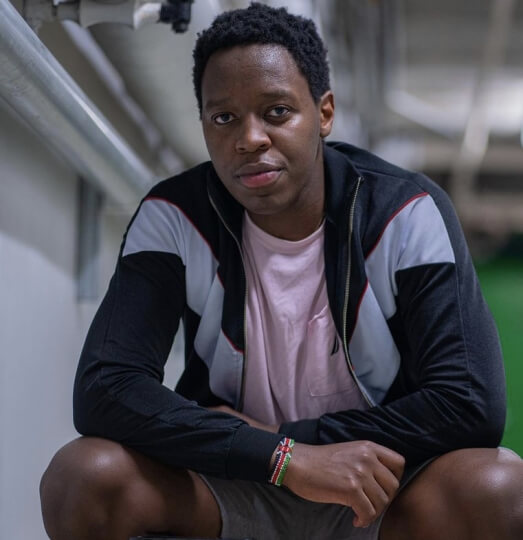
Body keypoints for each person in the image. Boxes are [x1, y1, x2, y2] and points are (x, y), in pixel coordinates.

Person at [40, 3, 523, 540]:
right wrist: (281, 458)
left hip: (377, 487)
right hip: (233, 479)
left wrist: (293, 440)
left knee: (500, 486)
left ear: (323, 113)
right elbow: (106, 388)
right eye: (223, 117)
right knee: (83, 475)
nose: (249, 138)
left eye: (276, 112)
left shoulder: (405, 211)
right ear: (203, 124)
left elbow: (470, 402)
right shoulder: (173, 216)